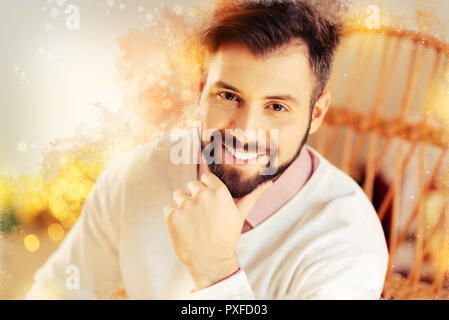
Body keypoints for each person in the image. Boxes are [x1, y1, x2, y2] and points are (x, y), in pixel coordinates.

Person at [26, 0, 388, 299]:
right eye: (228, 96)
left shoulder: (346, 243)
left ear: (317, 113)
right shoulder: (135, 176)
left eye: (277, 107)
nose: (245, 133)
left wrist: (214, 269)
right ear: (201, 89)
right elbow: (57, 291)